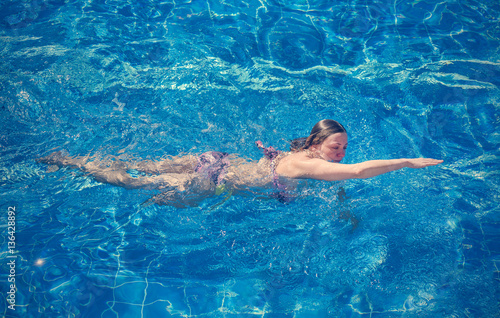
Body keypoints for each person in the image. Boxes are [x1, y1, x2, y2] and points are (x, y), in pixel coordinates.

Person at [37, 119, 443, 206]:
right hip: (211, 179)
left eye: (343, 147)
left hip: (217, 159)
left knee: (138, 163)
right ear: (319, 144)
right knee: (131, 183)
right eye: (336, 147)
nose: (342, 154)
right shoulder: (308, 164)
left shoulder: (300, 153)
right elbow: (356, 172)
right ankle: (72, 164)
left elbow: (336, 177)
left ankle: (76, 158)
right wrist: (408, 161)